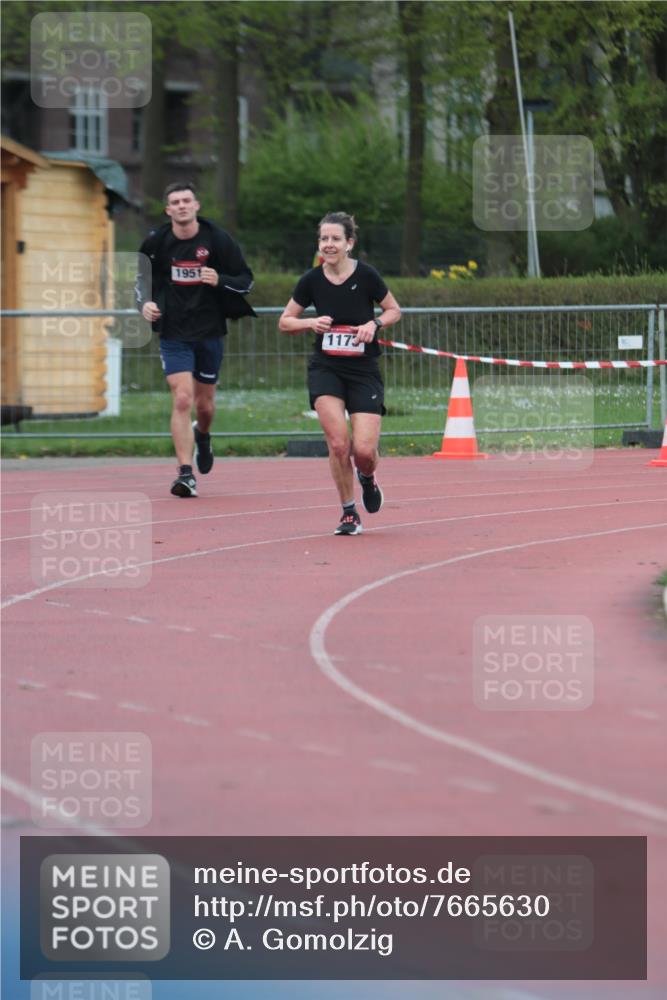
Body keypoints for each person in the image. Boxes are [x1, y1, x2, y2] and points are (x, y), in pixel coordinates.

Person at [279, 212, 401, 535]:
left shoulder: (368, 275)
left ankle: (367, 476)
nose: (328, 245)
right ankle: (349, 512)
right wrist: (309, 322)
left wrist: (373, 325)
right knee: (338, 444)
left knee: (363, 451)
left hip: (363, 370)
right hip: (326, 368)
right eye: (323, 239)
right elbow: (284, 321)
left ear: (349, 243)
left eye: (335, 239)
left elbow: (393, 310)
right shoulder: (311, 280)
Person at [136, 182, 255, 497]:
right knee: (182, 398)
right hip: (174, 332)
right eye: (175, 202)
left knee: (204, 406)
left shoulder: (217, 240)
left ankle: (203, 435)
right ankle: (185, 473)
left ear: (197, 205)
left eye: (187, 200)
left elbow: (246, 280)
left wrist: (221, 280)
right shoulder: (156, 242)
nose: (182, 206)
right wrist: (144, 304)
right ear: (168, 210)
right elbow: (140, 280)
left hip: (209, 331)